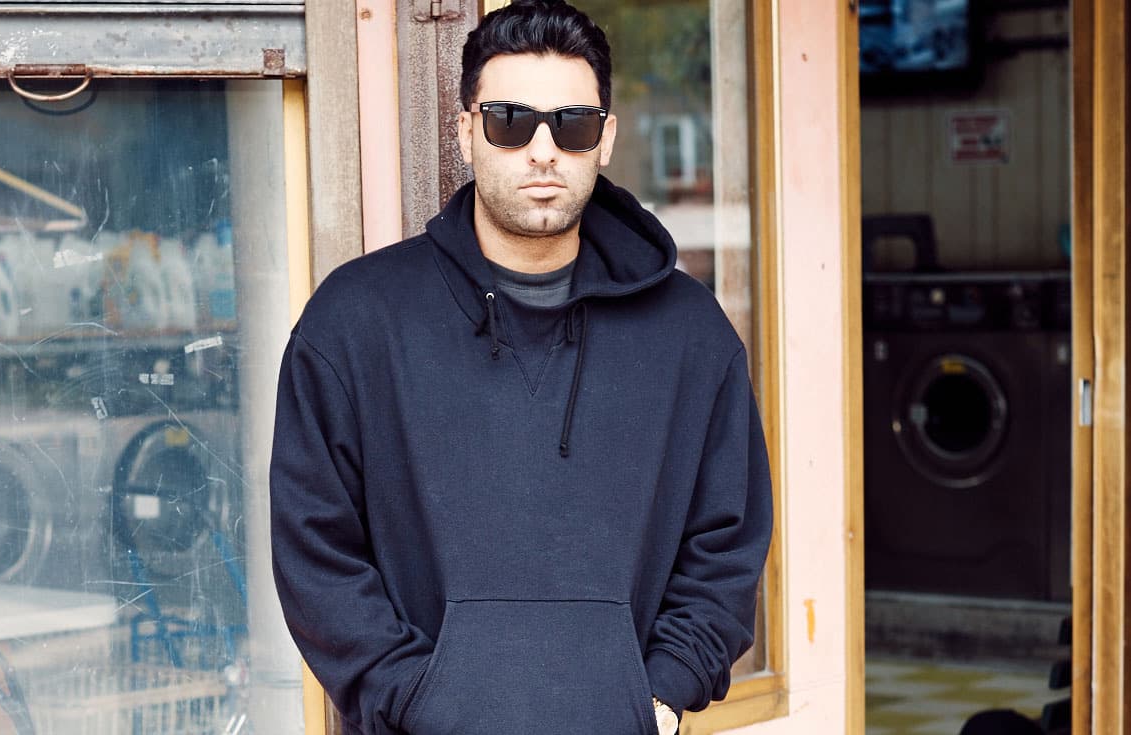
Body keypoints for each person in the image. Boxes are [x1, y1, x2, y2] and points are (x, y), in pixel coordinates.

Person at [269, 1, 773, 732]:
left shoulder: (691, 336)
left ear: (605, 139)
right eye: (510, 121)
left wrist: (659, 698)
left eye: (572, 125)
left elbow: (726, 546)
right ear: (465, 132)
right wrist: (415, 700)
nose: (543, 151)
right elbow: (315, 548)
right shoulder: (355, 321)